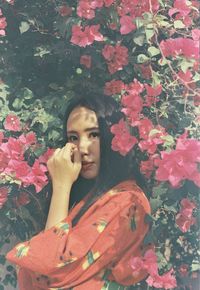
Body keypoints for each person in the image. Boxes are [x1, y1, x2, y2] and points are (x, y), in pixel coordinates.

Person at [6, 94, 151, 290]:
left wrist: (62, 185)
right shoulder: (87, 200)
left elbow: (48, 268)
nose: (82, 148)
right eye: (73, 137)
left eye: (94, 134)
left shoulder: (128, 203)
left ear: (115, 136)